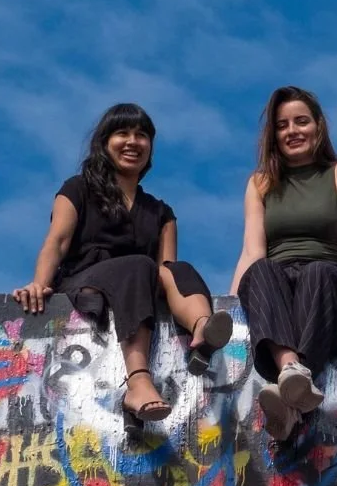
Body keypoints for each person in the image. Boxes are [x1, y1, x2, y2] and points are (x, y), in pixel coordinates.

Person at [12, 103, 233, 434]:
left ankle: (202, 329)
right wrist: (39, 283)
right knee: (138, 266)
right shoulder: (78, 188)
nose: (133, 141)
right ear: (104, 142)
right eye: (123, 133)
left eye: (142, 135)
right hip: (86, 283)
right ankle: (138, 382)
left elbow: (165, 273)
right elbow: (57, 241)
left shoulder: (161, 213)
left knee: (176, 268)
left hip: (138, 288)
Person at [230, 86, 337, 441]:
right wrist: (229, 308)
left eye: (301, 121)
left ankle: (291, 388)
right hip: (278, 279)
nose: (292, 131)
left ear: (318, 126)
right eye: (282, 125)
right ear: (273, 135)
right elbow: (252, 252)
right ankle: (291, 373)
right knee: (262, 271)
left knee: (316, 272)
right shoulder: (260, 183)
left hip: (327, 278)